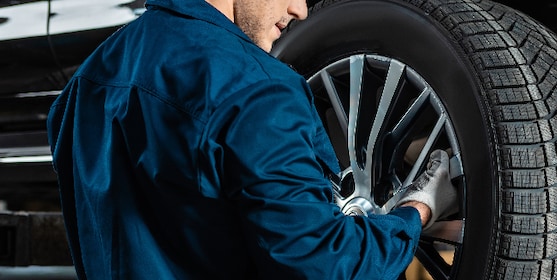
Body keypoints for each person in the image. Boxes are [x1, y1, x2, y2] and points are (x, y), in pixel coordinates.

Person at [46, 0, 456, 278]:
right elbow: (325, 265)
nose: (301, 9)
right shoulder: (257, 89)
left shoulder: (83, 85)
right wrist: (416, 211)